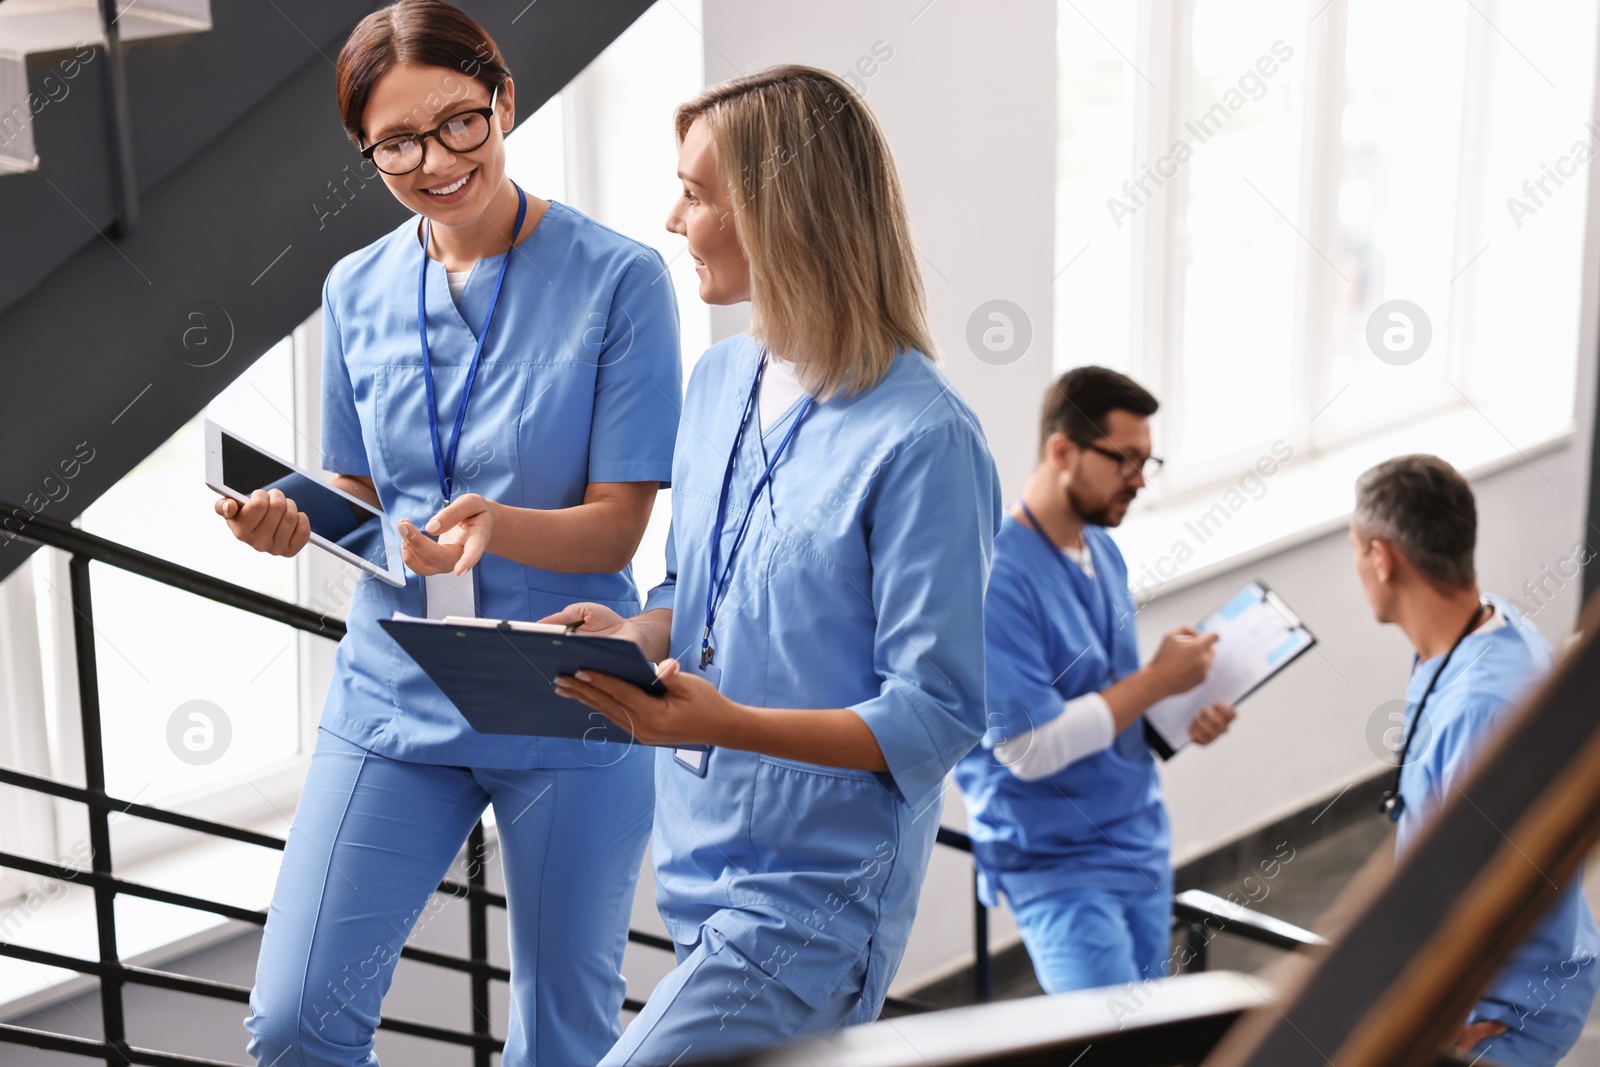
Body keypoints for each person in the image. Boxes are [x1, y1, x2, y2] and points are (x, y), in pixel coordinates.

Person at [216, 3, 682, 1063]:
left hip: (567, 677)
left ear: (503, 99)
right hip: (395, 680)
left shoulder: (620, 280)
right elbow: (358, 488)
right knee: (294, 1020)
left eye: (459, 122)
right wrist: (297, 521)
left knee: (561, 1036)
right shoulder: (354, 286)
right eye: (397, 142)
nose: (435, 160)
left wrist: (495, 526)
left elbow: (620, 519)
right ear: (366, 151)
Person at [543, 66, 1000, 1063]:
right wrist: (634, 634)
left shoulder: (924, 441)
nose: (673, 219)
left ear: (776, 210)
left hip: (815, 898)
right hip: (697, 859)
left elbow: (936, 712)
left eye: (697, 193)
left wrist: (727, 722)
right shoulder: (717, 382)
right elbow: (688, 590)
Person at [952, 367, 1238, 994]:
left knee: (1151, 1037)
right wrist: (1157, 683)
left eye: (1148, 461)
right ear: (1063, 452)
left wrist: (1179, 714)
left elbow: (1106, 695)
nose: (1140, 480)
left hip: (1136, 836)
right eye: (1126, 461)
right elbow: (1028, 747)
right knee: (1104, 1047)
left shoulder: (1099, 548)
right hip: (1058, 863)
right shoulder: (995, 575)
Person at [1349, 454, 1599, 1066]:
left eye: (1356, 552)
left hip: (1497, 1015)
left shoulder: (1480, 710)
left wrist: (1435, 1028)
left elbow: (1487, 899)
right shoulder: (1491, 625)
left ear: (1383, 559)